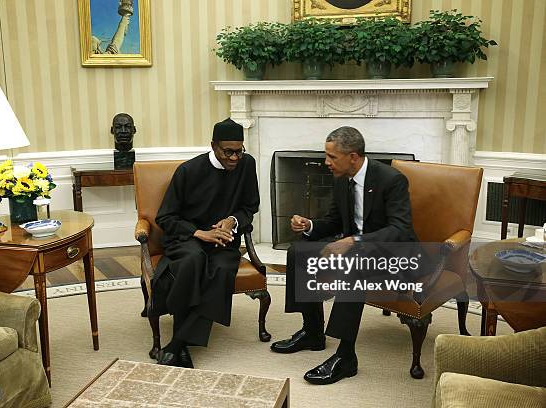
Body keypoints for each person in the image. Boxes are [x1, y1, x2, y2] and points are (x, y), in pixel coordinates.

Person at [270, 126, 418, 385]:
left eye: (332, 157)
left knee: (354, 265)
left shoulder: (391, 180)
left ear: (353, 156)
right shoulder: (342, 180)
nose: (326, 162)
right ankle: (313, 332)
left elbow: (400, 230)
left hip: (394, 256)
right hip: (358, 250)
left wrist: (354, 241)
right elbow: (334, 220)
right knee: (299, 252)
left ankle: (346, 355)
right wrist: (310, 226)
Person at [151, 118, 260, 368]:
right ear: (213, 146)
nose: (234, 158)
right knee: (192, 260)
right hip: (187, 239)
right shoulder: (188, 171)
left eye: (239, 151)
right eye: (228, 152)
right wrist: (199, 233)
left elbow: (250, 206)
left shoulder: (247, 164)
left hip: (223, 242)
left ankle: (178, 343)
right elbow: (165, 217)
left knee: (221, 270)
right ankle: (182, 342)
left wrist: (232, 221)